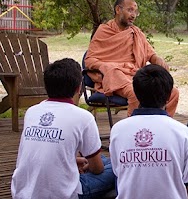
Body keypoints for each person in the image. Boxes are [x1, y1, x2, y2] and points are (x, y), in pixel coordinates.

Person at [11, 58, 115, 199]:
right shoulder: (83, 117)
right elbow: (97, 169)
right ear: (78, 87)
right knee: (116, 167)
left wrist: (73, 161)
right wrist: (87, 166)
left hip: (22, 191)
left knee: (102, 159)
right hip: (64, 194)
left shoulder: (32, 112)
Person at [109, 64, 188, 199]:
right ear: (169, 95)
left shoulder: (118, 130)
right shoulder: (184, 133)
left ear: (136, 92)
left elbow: (119, 175)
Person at [85, 0, 179, 117]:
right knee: (136, 93)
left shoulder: (136, 33)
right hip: (115, 77)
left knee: (173, 93)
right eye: (130, 10)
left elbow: (150, 54)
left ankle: (162, 128)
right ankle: (133, 132)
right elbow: (89, 60)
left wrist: (158, 60)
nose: (133, 15)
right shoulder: (103, 31)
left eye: (135, 12)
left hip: (136, 76)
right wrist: (106, 67)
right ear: (118, 10)